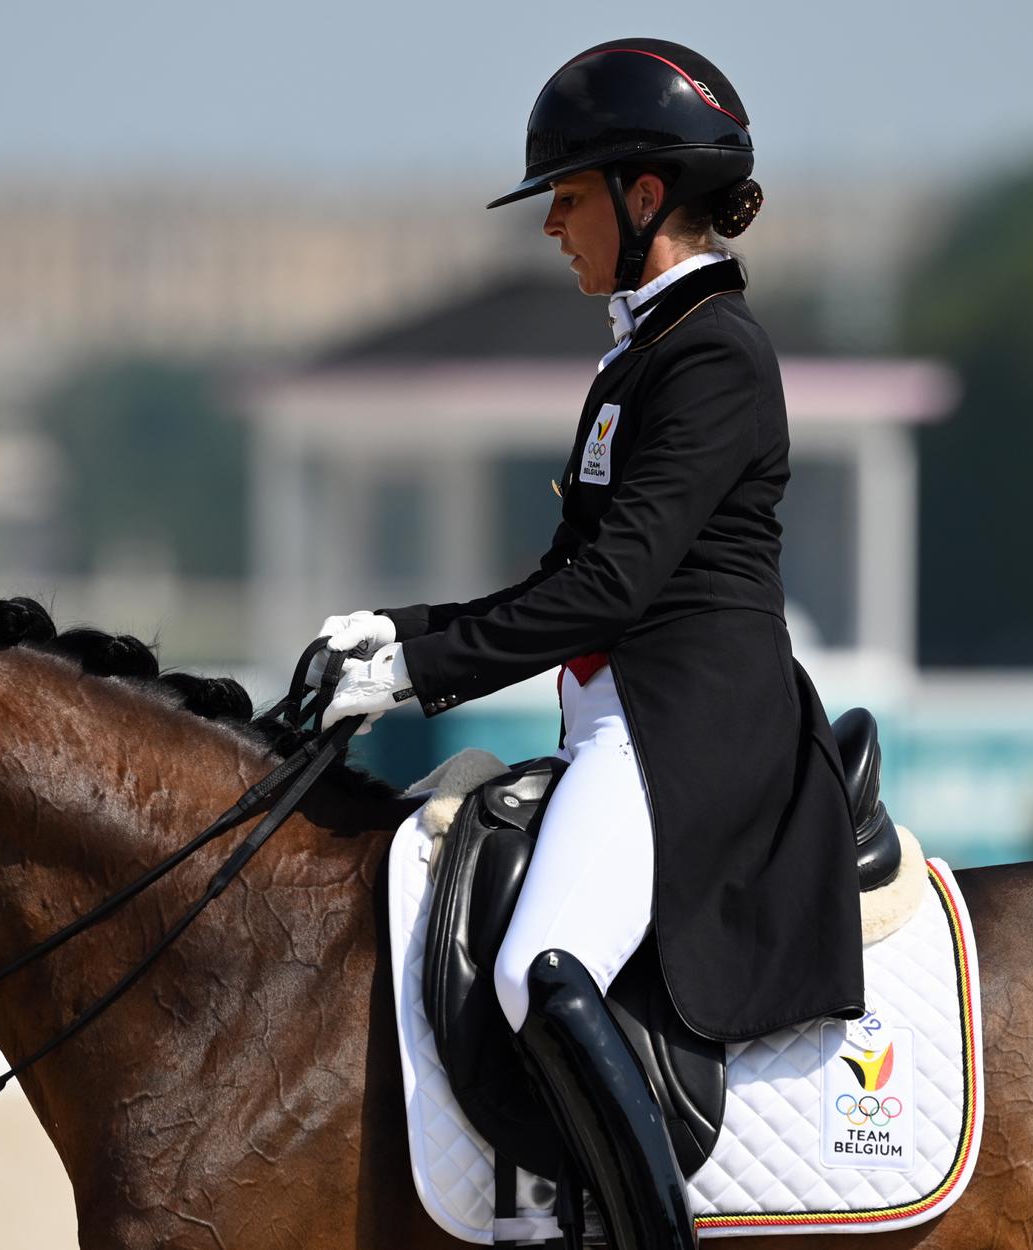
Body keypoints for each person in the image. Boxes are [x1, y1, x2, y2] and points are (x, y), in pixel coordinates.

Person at [317, 39, 865, 1247]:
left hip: (692, 736)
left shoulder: (715, 355)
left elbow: (613, 588)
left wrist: (422, 672)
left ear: (645, 194)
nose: (553, 225)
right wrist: (396, 630)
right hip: (625, 721)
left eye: (567, 198)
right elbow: (564, 577)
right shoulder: (641, 351)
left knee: (538, 964)